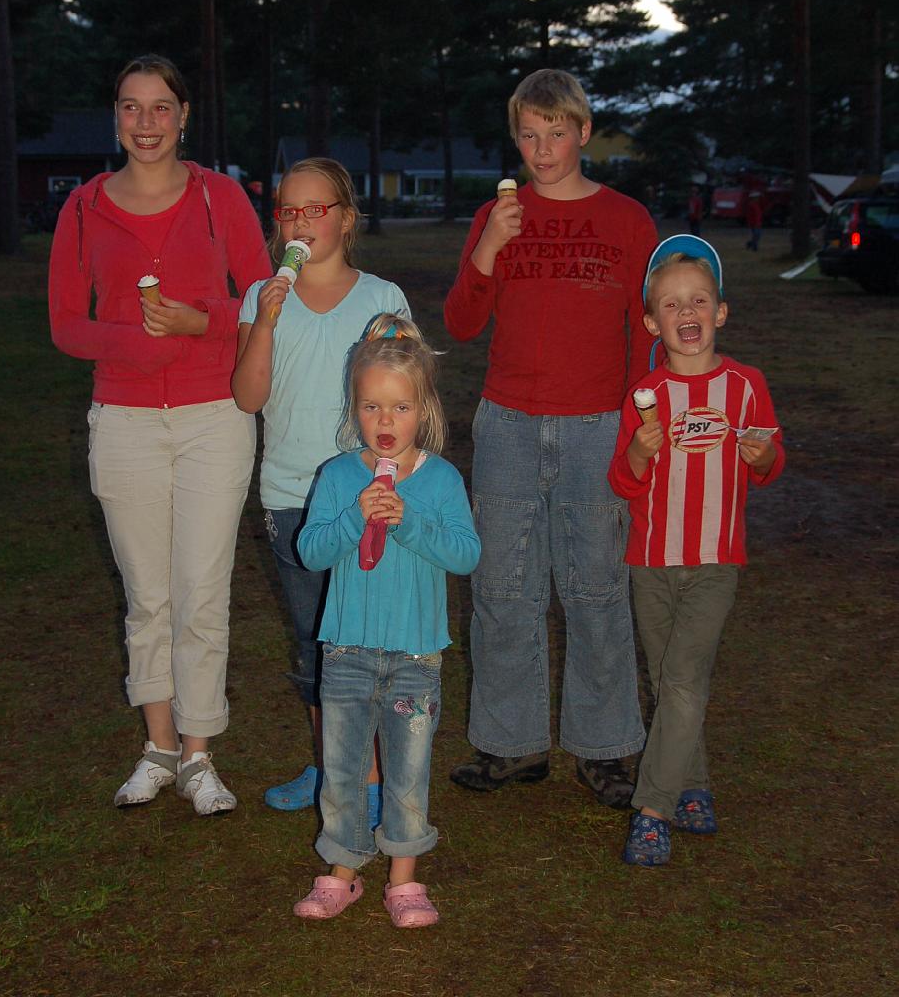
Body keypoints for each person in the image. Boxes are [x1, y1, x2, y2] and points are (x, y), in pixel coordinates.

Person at [48, 55, 271, 814]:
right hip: (125, 421)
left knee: (201, 593)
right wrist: (137, 342)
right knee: (147, 597)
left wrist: (200, 321)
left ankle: (202, 755)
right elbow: (65, 324)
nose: (145, 123)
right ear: (116, 116)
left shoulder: (221, 198)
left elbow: (261, 299)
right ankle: (159, 746)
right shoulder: (83, 207)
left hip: (215, 418)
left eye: (160, 108)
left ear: (183, 116)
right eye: (130, 107)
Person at [444, 68, 656, 806]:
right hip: (506, 423)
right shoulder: (495, 215)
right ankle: (511, 744)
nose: (542, 149)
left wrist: (638, 423)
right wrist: (488, 250)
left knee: (596, 590)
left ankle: (605, 749)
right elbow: (461, 323)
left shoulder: (627, 221)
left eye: (555, 133)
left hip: (598, 425)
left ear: (584, 131)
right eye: (528, 136)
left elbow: (643, 332)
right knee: (502, 590)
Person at [231, 158, 410, 817]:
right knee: (313, 641)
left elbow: (404, 396)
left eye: (317, 208)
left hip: (363, 495)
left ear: (345, 218)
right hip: (290, 496)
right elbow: (248, 395)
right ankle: (329, 767)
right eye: (289, 210)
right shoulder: (259, 296)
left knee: (363, 641)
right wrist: (268, 323)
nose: (302, 221)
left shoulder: (381, 297)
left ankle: (365, 781)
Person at [291, 314, 480, 926]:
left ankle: (404, 879)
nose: (385, 422)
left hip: (415, 656)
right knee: (341, 768)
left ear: (422, 408)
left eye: (399, 407)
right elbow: (310, 550)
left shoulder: (443, 479)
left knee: (407, 771)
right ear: (354, 407)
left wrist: (413, 521)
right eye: (371, 406)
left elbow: (465, 553)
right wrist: (353, 517)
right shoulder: (339, 475)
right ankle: (342, 871)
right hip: (344, 652)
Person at [608, 235, 785, 866]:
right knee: (671, 682)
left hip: (715, 560)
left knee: (682, 681)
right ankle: (695, 786)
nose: (689, 313)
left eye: (700, 300)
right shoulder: (644, 395)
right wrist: (638, 451)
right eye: (673, 304)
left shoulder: (744, 386)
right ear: (653, 320)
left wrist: (763, 457)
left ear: (720, 312)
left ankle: (652, 810)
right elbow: (623, 481)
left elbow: (768, 458)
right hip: (650, 561)